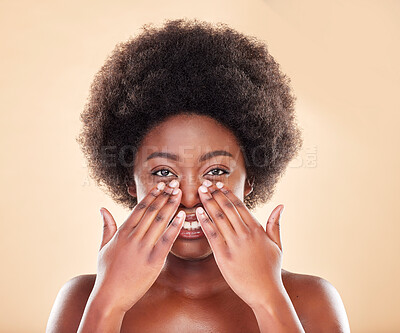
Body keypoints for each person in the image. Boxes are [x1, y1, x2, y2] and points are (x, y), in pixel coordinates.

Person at [46, 18, 350, 332]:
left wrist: (268, 300)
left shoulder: (310, 301)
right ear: (129, 181)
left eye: (216, 171)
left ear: (252, 179)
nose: (190, 198)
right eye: (163, 172)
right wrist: (107, 304)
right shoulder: (83, 300)